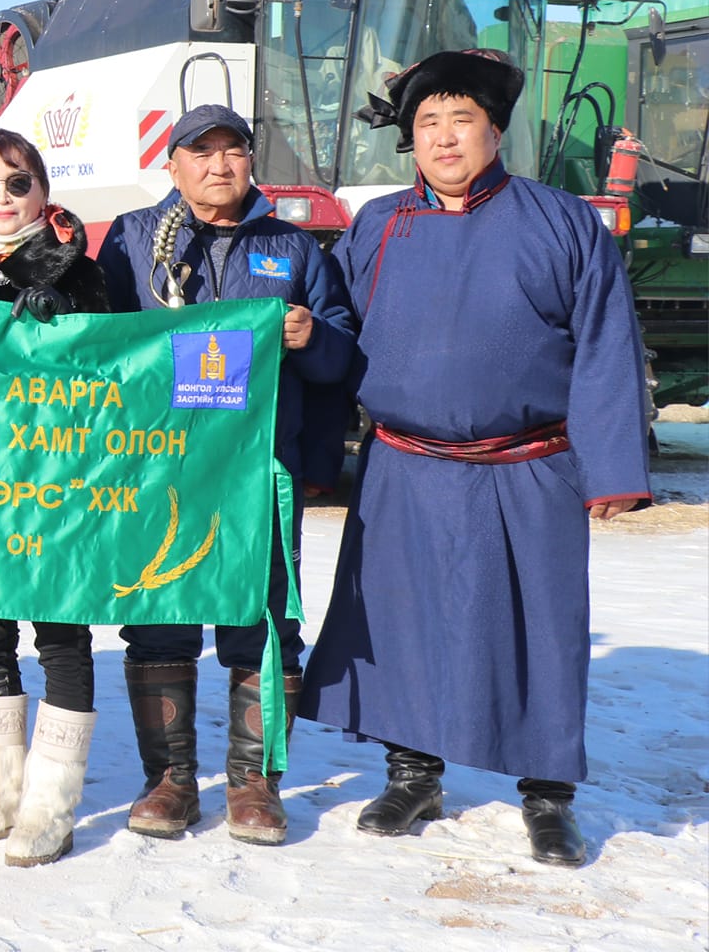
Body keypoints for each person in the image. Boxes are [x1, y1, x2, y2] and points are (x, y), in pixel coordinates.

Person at [300, 50, 650, 867]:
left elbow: (605, 343)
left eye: (462, 120)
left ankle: (548, 794)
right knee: (400, 622)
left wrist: (612, 468)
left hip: (528, 465)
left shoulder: (561, 221)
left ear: (494, 130)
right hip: (404, 466)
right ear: (410, 141)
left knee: (540, 630)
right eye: (428, 123)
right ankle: (412, 774)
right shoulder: (377, 225)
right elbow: (337, 336)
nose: (445, 138)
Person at [95, 103, 355, 845]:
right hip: (157, 468)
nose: (218, 165)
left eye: (232, 150)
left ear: (251, 161)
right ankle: (170, 782)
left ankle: (254, 784)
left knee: (264, 626)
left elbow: (344, 358)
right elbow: (98, 338)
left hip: (258, 471)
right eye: (199, 152)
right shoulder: (134, 240)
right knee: (158, 622)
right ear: (170, 165)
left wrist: (311, 337)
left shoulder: (294, 247)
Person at [0, 130, 111, 866]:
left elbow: (109, 364)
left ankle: (50, 805)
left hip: (57, 478)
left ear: (43, 188)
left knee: (62, 633)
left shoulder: (82, 268)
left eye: (18, 182)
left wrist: (64, 309)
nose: (3, 199)